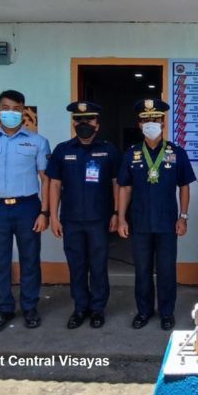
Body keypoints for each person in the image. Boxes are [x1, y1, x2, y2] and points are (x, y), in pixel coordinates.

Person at [0, 90, 51, 334]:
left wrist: (44, 212)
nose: (10, 113)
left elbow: (46, 179)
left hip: (28, 207)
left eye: (16, 109)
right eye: (5, 107)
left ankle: (30, 307)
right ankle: (4, 309)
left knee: (30, 259)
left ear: (24, 112)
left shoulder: (37, 141)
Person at [117, 98, 196, 331]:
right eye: (145, 119)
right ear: (139, 124)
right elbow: (125, 187)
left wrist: (184, 217)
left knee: (166, 270)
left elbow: (184, 186)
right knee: (141, 270)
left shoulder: (176, 153)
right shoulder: (131, 154)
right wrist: (121, 218)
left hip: (167, 223)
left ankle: (166, 312)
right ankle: (143, 311)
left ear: (163, 122)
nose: (151, 123)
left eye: (155, 119)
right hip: (140, 222)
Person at [47, 102, 120, 329]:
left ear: (97, 124)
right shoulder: (63, 150)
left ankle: (97, 309)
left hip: (99, 220)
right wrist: (53, 216)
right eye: (79, 120)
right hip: (71, 220)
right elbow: (55, 185)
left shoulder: (108, 150)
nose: (84, 124)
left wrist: (117, 213)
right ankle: (80, 308)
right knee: (76, 266)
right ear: (74, 123)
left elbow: (117, 184)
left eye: (89, 120)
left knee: (98, 266)